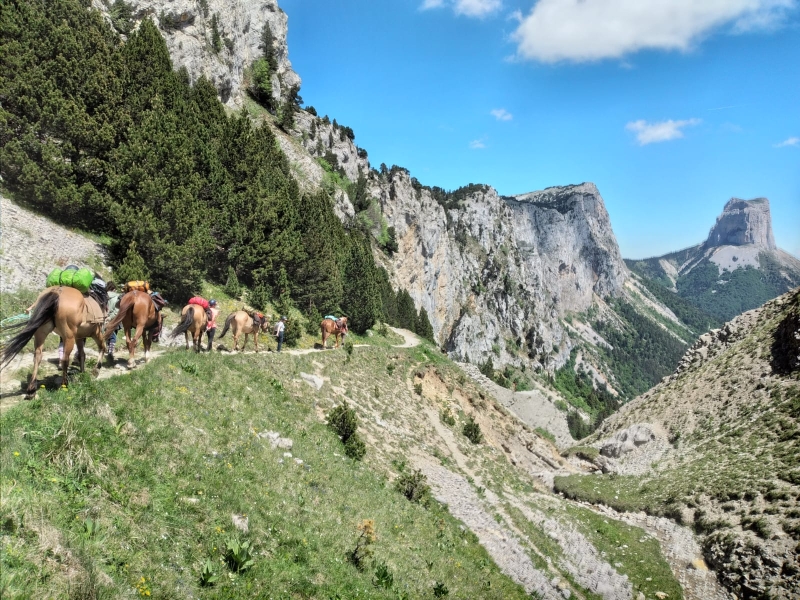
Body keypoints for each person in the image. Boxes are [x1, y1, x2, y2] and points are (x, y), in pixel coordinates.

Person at [105, 282, 122, 359]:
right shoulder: (117, 297)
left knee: (107, 335)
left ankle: (108, 350)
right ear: (114, 289)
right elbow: (116, 311)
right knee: (113, 336)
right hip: (114, 320)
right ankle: (110, 352)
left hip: (104, 319)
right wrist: (110, 317)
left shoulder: (103, 296)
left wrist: (106, 317)